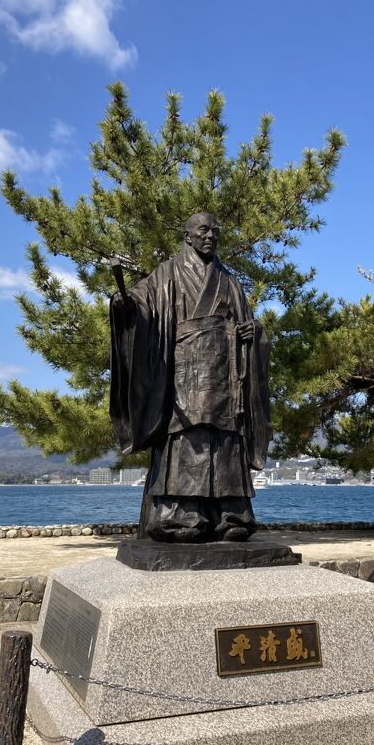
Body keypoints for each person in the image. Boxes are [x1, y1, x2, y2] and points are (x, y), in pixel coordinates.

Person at [110, 212, 271, 542]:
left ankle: (231, 515)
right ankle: (183, 516)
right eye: (203, 230)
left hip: (226, 379)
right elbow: (141, 303)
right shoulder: (167, 274)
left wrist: (252, 331)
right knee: (186, 439)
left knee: (225, 442)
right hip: (184, 377)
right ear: (188, 237)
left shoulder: (229, 281)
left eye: (216, 230)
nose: (210, 235)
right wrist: (124, 306)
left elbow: (249, 324)